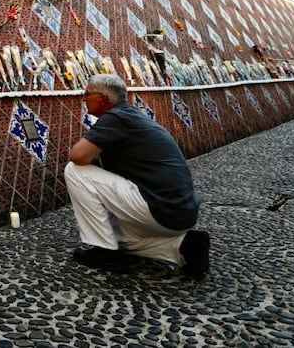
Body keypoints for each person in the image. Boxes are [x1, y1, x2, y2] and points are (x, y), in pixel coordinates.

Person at [65, 74, 209, 275]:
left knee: (75, 171)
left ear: (103, 99)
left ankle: (103, 251)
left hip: (160, 207)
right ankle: (183, 247)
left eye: (87, 94)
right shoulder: (132, 115)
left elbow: (78, 156)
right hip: (180, 213)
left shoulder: (115, 118)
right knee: (118, 238)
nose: (84, 98)